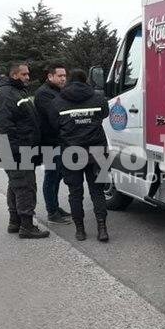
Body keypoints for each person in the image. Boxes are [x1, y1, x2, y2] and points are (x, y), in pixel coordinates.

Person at [49, 68, 110, 242]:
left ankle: (80, 230)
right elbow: (104, 114)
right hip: (97, 152)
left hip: (71, 153)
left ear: (69, 80)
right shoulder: (98, 98)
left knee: (75, 193)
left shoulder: (58, 101)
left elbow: (54, 125)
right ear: (85, 81)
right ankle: (102, 229)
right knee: (97, 191)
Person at [0, 63, 50, 239]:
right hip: (16, 150)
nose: (27, 77)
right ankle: (27, 226)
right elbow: (4, 126)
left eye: (28, 74)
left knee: (16, 185)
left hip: (18, 148)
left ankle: (15, 222)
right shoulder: (6, 94)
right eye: (24, 74)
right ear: (14, 75)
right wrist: (16, 150)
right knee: (25, 186)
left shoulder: (15, 90)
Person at [34, 64, 72, 224]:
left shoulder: (57, 91)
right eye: (60, 76)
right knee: (52, 176)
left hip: (59, 141)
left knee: (57, 176)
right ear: (50, 77)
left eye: (65, 75)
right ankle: (52, 212)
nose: (63, 78)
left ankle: (55, 207)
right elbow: (56, 117)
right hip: (49, 142)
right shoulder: (44, 94)